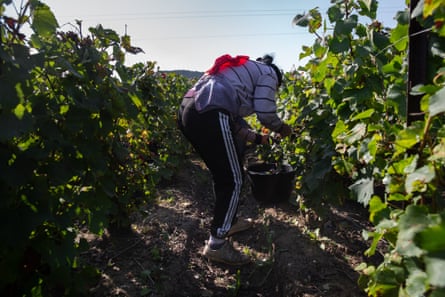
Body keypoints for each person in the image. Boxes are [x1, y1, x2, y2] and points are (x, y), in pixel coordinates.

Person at [177, 54, 292, 265]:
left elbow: (234, 124)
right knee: (233, 179)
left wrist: (259, 139)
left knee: (223, 174)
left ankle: (227, 223)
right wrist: (284, 129)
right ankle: (216, 245)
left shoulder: (237, 75)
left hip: (190, 110)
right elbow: (266, 114)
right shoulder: (269, 73)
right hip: (209, 113)